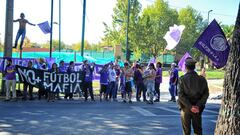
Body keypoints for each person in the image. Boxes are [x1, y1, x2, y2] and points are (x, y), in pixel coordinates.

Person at [178, 58, 209, 135]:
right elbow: (206, 94)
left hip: (186, 108)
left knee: (186, 132)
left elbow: (180, 95)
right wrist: (197, 106)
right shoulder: (202, 79)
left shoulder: (182, 79)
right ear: (194, 67)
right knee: (198, 130)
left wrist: (190, 106)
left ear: (185, 67)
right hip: (197, 109)